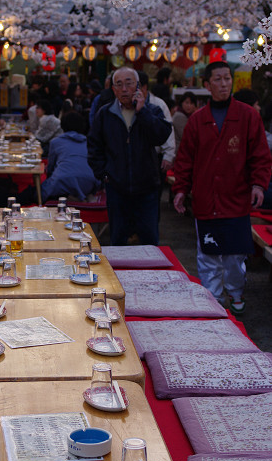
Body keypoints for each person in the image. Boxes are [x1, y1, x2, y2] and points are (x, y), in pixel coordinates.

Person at [173, 61, 271, 314]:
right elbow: (185, 159)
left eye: (227, 78)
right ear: (207, 85)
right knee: (208, 256)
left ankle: (236, 294)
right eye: (218, 79)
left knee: (234, 256)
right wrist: (181, 189)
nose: (224, 83)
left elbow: (260, 155)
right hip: (206, 200)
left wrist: (259, 185)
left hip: (236, 199)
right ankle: (213, 300)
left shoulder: (248, 116)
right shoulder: (197, 121)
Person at [87, 67, 171, 245]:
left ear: (138, 87)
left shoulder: (153, 110)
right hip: (117, 187)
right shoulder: (105, 113)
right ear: (113, 89)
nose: (124, 89)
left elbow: (161, 135)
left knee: (149, 240)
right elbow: (94, 146)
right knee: (118, 240)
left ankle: (151, 273)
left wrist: (142, 112)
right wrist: (104, 174)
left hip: (147, 187)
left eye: (129, 83)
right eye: (119, 84)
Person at [41, 111, 99, 202]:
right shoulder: (89, 142)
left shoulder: (56, 142)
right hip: (89, 181)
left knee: (41, 191)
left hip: (63, 180)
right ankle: (82, 196)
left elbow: (50, 168)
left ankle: (69, 197)